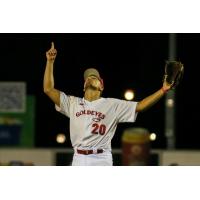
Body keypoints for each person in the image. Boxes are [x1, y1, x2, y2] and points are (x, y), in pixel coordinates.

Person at [43, 42, 172, 166]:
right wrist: (50, 62)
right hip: (79, 158)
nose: (90, 77)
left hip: (102, 158)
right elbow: (48, 89)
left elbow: (141, 105)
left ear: (101, 86)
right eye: (88, 77)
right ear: (83, 86)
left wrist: (163, 90)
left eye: (95, 77)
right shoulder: (73, 103)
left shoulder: (112, 105)